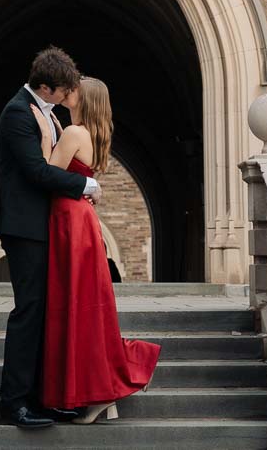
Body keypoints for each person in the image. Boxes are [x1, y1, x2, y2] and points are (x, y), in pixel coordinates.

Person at [35, 76, 160, 423]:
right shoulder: (86, 134)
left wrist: (46, 138)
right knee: (84, 305)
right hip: (80, 219)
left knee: (73, 303)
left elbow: (46, 174)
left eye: (73, 88)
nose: (67, 90)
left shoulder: (74, 134)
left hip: (69, 220)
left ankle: (98, 391)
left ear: (83, 99)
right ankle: (101, 392)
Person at [0, 47, 101, 430]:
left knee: (45, 313)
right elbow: (37, 172)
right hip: (24, 228)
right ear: (44, 86)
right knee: (29, 312)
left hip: (44, 226)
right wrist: (84, 183)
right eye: (63, 89)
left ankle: (42, 398)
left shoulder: (48, 114)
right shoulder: (18, 113)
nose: (68, 95)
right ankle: (13, 404)